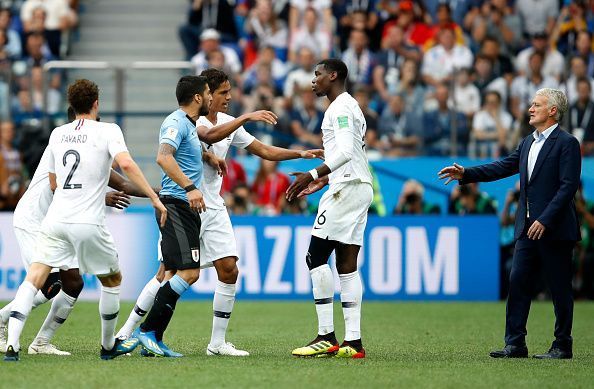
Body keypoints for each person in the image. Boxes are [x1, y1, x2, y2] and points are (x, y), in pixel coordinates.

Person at [118, 69, 318, 356]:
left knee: (229, 269)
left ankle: (217, 343)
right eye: (223, 92)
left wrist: (299, 154)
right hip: (184, 203)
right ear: (205, 94)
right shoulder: (190, 119)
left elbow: (262, 150)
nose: (228, 97)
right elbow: (206, 135)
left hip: (212, 206)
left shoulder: (227, 122)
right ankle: (127, 332)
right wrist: (245, 118)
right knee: (168, 272)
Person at [3, 79, 166, 362]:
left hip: (56, 217)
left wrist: (162, 193)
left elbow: (122, 184)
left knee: (72, 283)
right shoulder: (102, 132)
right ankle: (4, 319)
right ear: (95, 105)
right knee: (52, 283)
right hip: (34, 216)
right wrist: (142, 198)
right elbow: (58, 187)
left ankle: (39, 342)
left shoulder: (60, 135)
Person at [439, 88, 581, 359]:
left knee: (559, 287)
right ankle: (515, 343)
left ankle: (562, 344)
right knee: (517, 281)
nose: (530, 108)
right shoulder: (528, 141)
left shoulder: (567, 143)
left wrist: (545, 219)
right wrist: (466, 174)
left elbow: (567, 187)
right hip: (527, 228)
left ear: (553, 111)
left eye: (537, 105)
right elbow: (503, 166)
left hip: (555, 229)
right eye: (531, 104)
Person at [286, 59, 373, 359]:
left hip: (347, 187)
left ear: (333, 76)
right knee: (347, 264)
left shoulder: (340, 108)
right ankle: (353, 342)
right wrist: (324, 179)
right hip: (356, 185)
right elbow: (351, 153)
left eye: (318, 74)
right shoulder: (348, 106)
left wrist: (311, 174)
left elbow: (347, 151)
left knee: (315, 256)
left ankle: (326, 336)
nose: (314, 80)